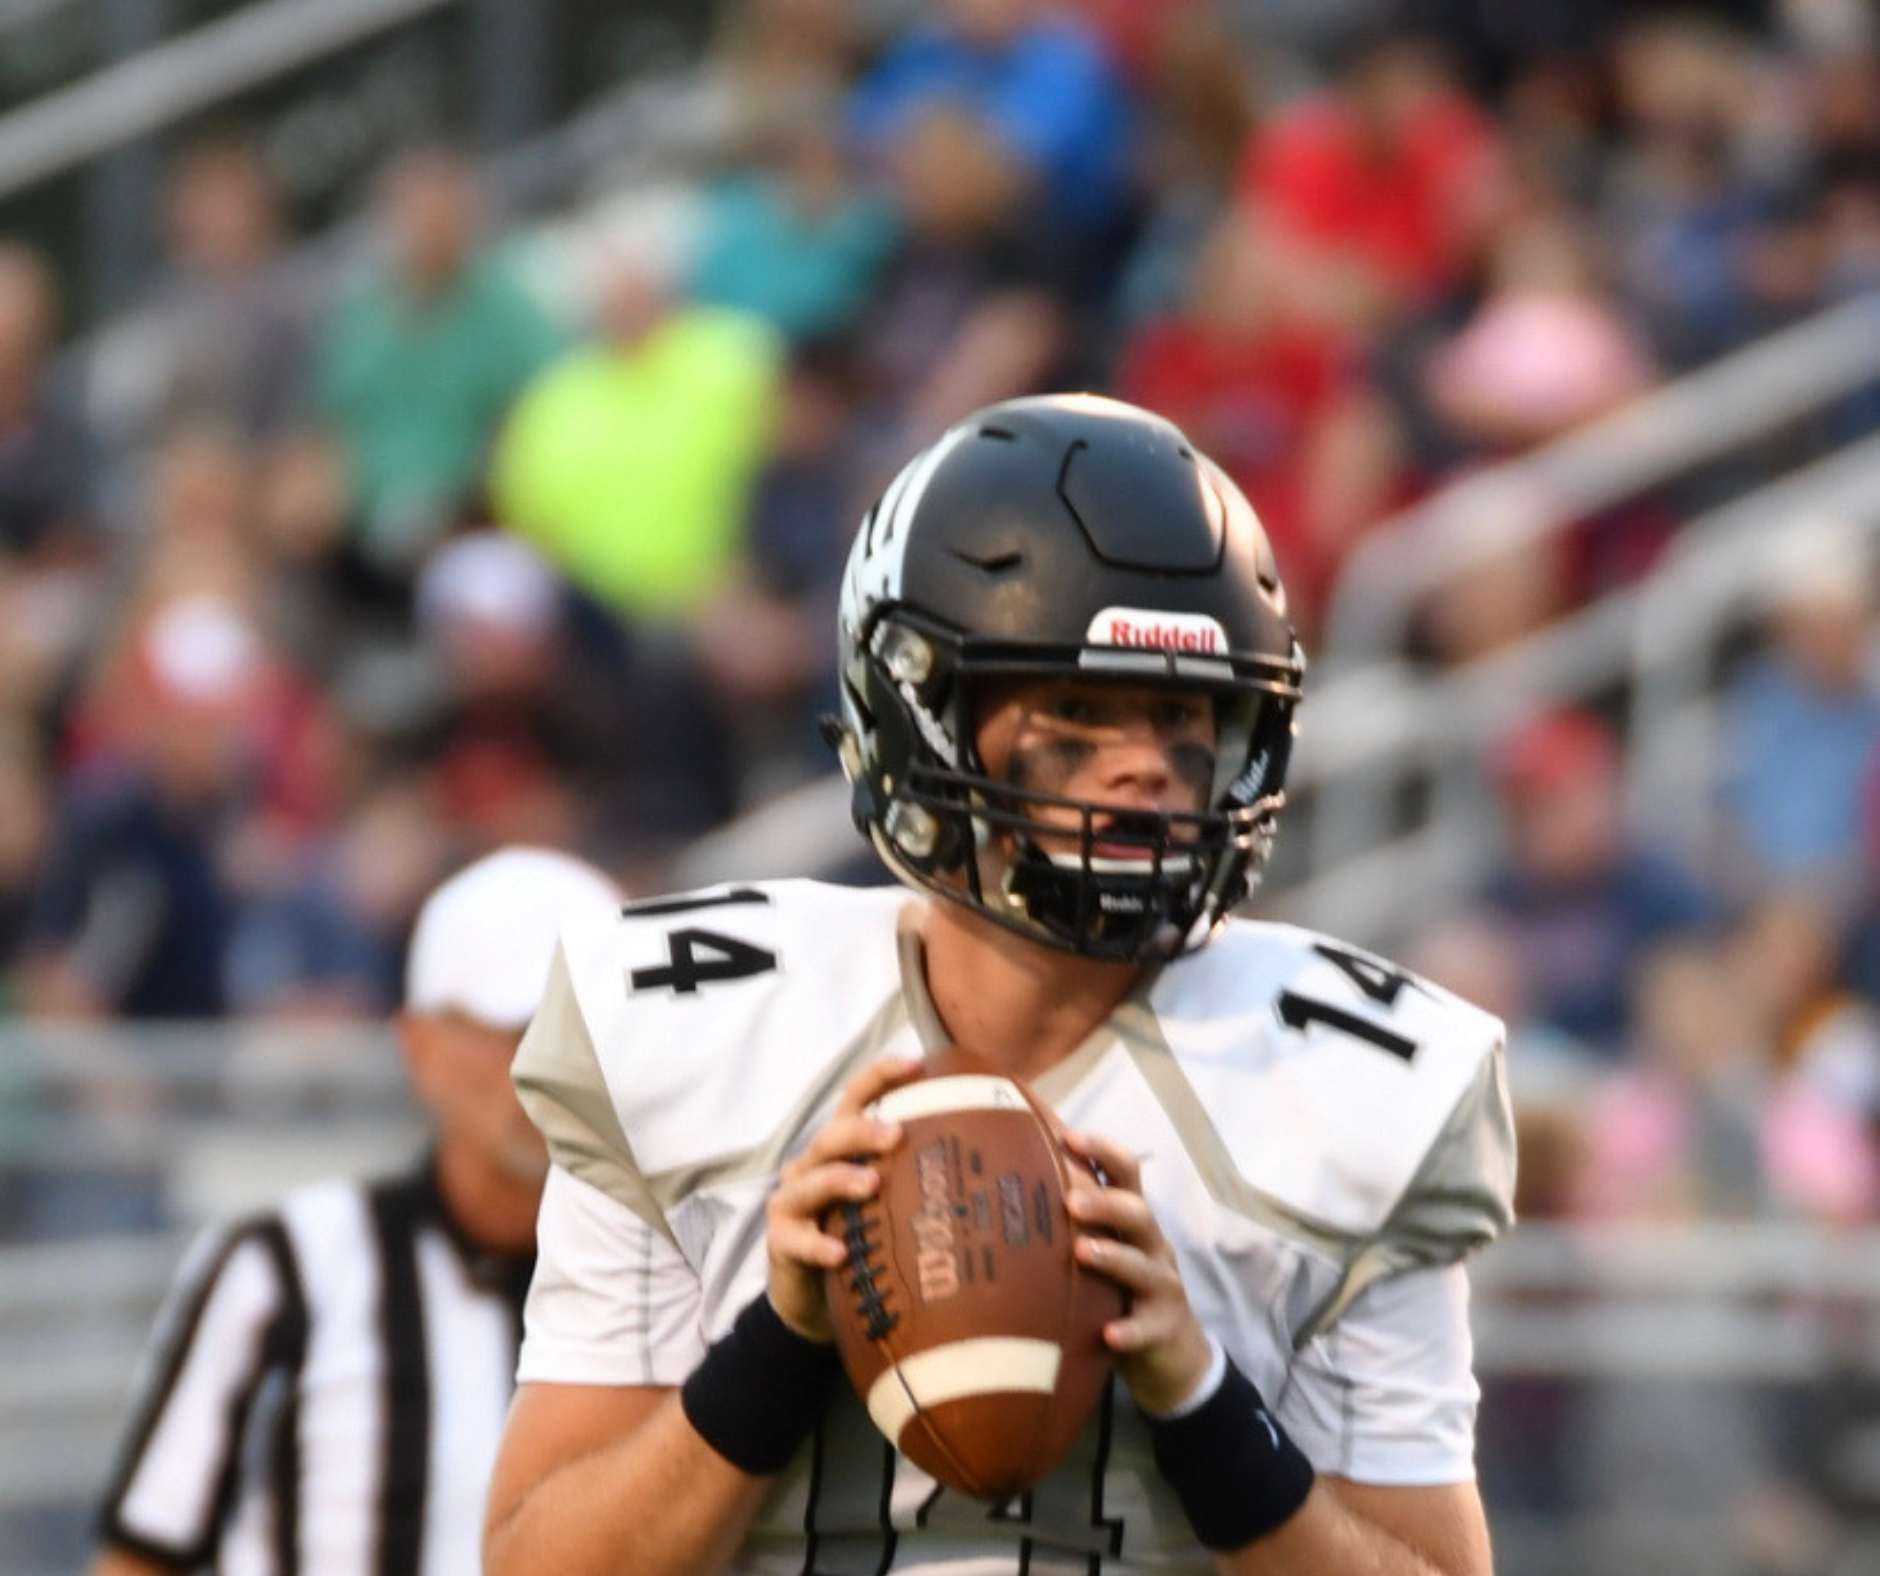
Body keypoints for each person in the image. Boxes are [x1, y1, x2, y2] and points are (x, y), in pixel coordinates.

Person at [485, 394, 1517, 1576]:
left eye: (1180, 715)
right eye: (1077, 710)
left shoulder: (1346, 1085)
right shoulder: (687, 1031)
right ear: (918, 709)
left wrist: (1202, 1400)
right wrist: (773, 1343)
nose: (1141, 765)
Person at [91, 844, 623, 1576]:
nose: (547, 1068)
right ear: (419, 1047)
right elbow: (141, 1557)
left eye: (580, 1032)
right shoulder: (286, 1266)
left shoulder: (679, 1277)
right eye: (517, 1029)